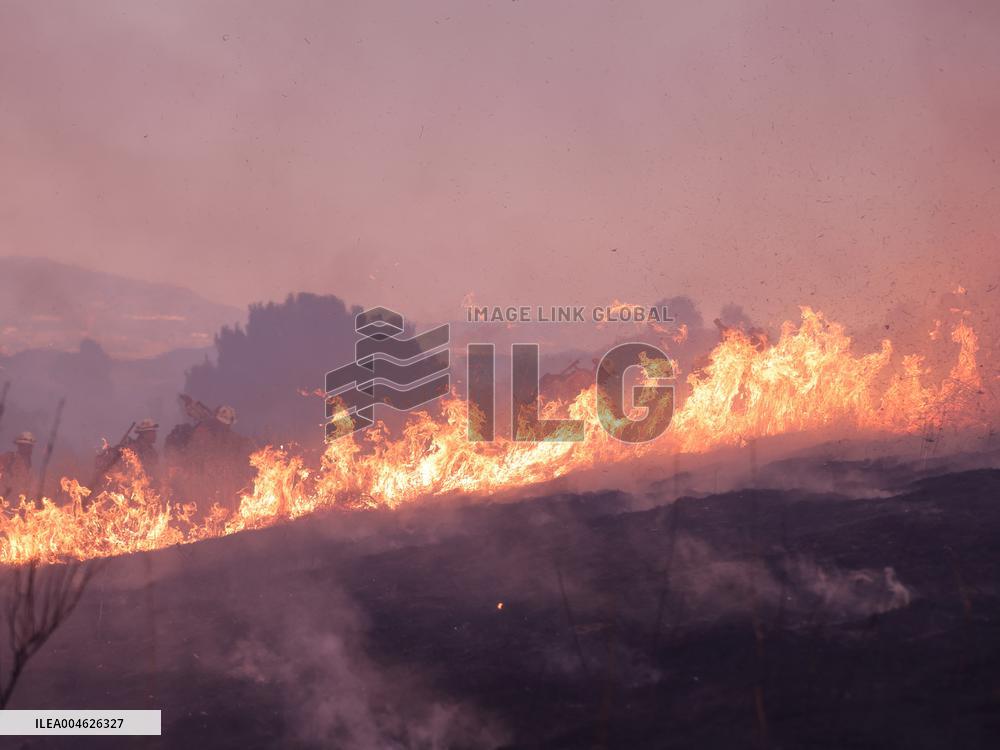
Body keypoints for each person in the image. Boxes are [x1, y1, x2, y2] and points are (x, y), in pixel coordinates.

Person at [165, 400, 254, 514]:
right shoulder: (204, 433)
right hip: (199, 476)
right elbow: (199, 455)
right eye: (227, 425)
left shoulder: (220, 432)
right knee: (205, 506)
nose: (228, 427)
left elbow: (233, 441)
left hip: (209, 476)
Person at [0, 432, 36, 502]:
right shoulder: (9, 457)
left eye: (30, 446)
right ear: (20, 446)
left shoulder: (30, 468)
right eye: (26, 445)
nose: (29, 448)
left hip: (19, 506)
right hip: (4, 501)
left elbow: (31, 489)